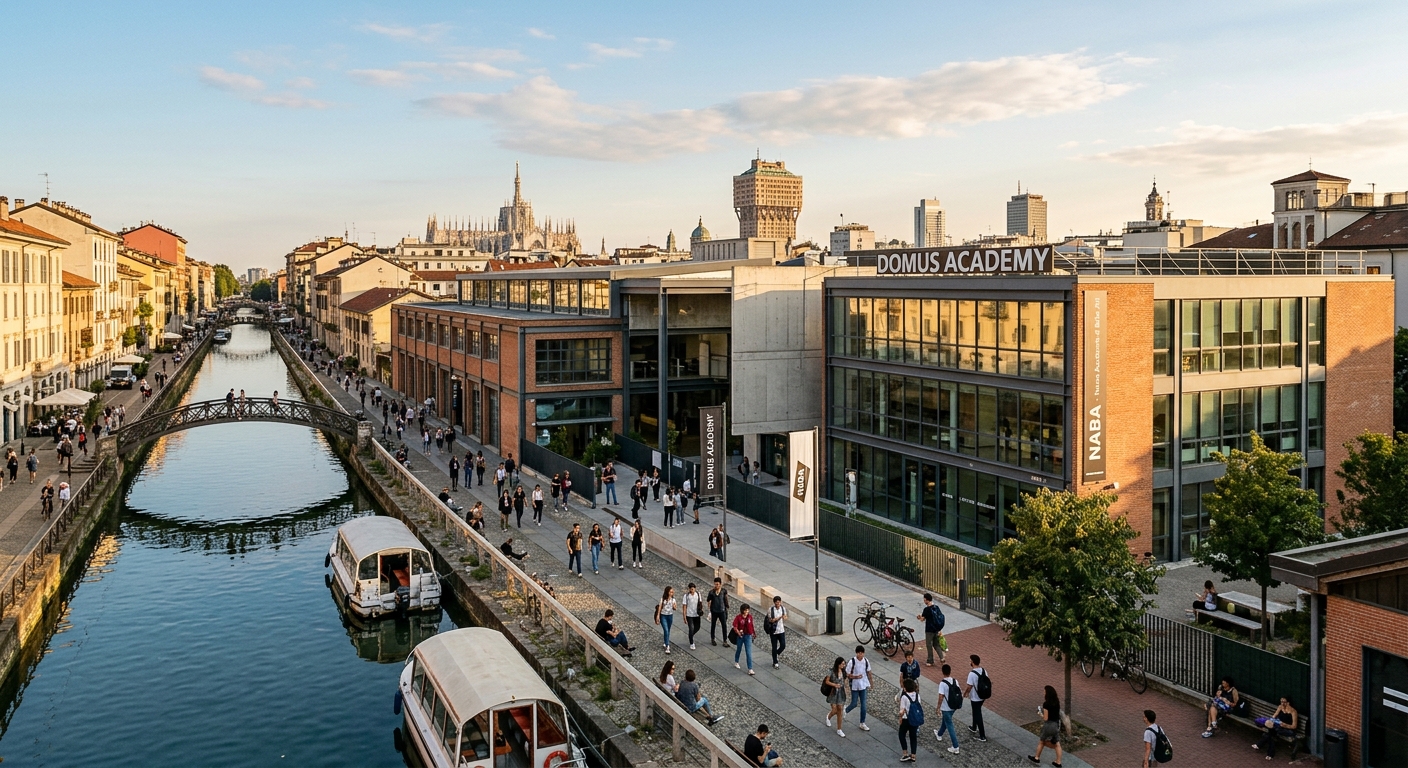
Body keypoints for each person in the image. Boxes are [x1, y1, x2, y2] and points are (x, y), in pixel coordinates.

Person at [1030, 685, 1063, 767]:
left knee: (1041, 741)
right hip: (1056, 724)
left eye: (1044, 692)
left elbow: (1045, 718)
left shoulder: (1046, 704)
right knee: (1057, 744)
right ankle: (1058, 762)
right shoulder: (1057, 702)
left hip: (1049, 725)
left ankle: (1036, 757)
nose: (1043, 693)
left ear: (1047, 694)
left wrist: (1039, 714)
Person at [844, 646, 873, 732]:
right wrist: (855, 677)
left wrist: (871, 683)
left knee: (864, 705)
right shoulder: (852, 662)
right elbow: (847, 674)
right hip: (855, 685)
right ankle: (845, 710)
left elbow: (869, 672)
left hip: (863, 685)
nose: (860, 654)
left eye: (862, 653)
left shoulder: (866, 661)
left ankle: (862, 722)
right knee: (854, 703)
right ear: (856, 653)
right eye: (859, 653)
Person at [935, 663, 962, 754]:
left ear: (943, 672)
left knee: (949, 725)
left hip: (946, 707)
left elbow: (941, 696)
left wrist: (938, 707)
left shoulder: (942, 683)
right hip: (954, 706)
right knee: (946, 721)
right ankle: (939, 734)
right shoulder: (955, 681)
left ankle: (955, 746)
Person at [964, 654, 990, 743]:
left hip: (975, 697)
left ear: (973, 662)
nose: (969, 662)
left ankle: (982, 735)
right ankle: (973, 727)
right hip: (983, 695)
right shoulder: (984, 671)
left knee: (977, 714)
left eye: (970, 660)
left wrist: (965, 693)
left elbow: (969, 686)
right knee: (975, 711)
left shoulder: (971, 674)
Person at [919, 592, 946, 666]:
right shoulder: (936, 607)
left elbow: (922, 619)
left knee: (929, 644)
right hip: (936, 629)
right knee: (936, 644)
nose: (924, 601)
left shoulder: (926, 609)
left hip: (929, 629)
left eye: (924, 600)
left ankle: (930, 660)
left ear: (927, 600)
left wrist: (919, 617)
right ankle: (942, 657)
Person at [898, 677, 922, 763]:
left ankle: (905, 754)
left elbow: (902, 710)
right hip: (915, 719)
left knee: (901, 735)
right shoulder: (917, 695)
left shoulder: (904, 697)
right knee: (913, 737)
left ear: (906, 688)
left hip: (906, 719)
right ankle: (913, 755)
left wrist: (900, 718)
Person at [823, 656, 848, 737]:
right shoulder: (831, 671)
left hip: (840, 692)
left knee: (839, 709)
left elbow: (844, 682)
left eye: (844, 664)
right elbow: (827, 681)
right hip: (833, 692)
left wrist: (846, 689)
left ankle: (839, 729)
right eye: (842, 664)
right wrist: (834, 685)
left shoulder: (844, 672)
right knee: (835, 709)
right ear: (838, 664)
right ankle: (828, 716)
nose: (844, 665)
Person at [732, 604, 756, 675]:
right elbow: (735, 626)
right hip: (741, 636)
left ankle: (750, 668)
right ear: (742, 610)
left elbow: (751, 625)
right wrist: (738, 632)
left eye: (748, 610)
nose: (747, 611)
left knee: (748, 652)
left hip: (748, 635)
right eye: (745, 610)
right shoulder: (738, 617)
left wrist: (753, 633)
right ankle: (736, 661)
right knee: (738, 649)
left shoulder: (750, 617)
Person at [766, 596, 787, 669]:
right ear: (774, 602)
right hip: (774, 631)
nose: (778, 604)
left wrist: (784, 617)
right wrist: (779, 618)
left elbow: (785, 617)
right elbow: (771, 620)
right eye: (777, 602)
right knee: (774, 647)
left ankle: (776, 654)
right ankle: (775, 662)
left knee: (783, 645)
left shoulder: (783, 608)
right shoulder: (771, 610)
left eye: (779, 602)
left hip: (781, 630)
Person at [656, 586, 677, 653]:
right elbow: (660, 607)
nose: (672, 593)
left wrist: (674, 607)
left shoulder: (673, 600)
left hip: (670, 616)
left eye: (672, 592)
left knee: (668, 630)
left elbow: (675, 608)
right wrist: (658, 616)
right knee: (666, 630)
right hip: (663, 616)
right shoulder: (663, 599)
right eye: (670, 592)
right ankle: (667, 646)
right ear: (667, 592)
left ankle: (665, 641)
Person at [683, 582, 702, 650]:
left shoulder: (698, 594)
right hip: (689, 614)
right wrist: (684, 616)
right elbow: (684, 606)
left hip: (696, 614)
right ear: (689, 589)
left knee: (698, 627)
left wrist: (700, 610)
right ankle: (691, 643)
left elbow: (700, 603)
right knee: (691, 628)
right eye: (691, 589)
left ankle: (690, 635)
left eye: (693, 589)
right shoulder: (686, 596)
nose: (692, 591)